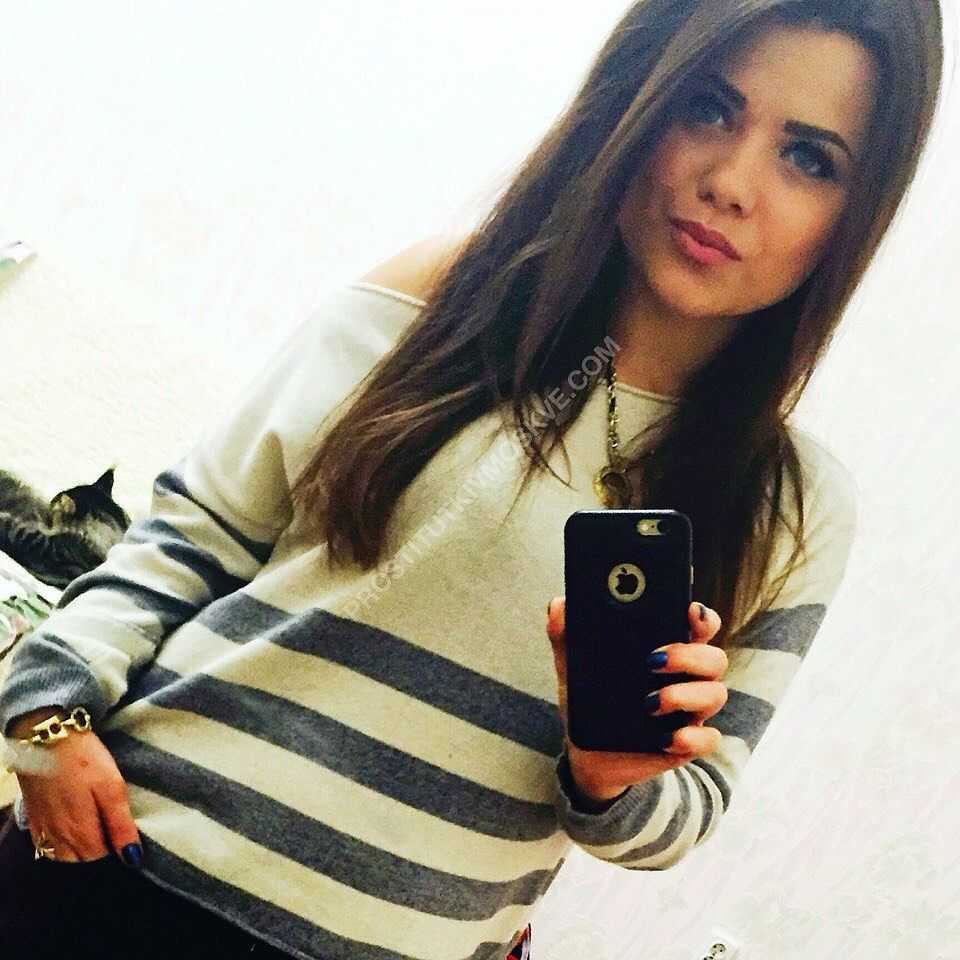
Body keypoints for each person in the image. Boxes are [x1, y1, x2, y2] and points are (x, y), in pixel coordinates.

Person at [0, 1, 943, 958]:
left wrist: (608, 775)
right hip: (114, 873)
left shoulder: (792, 506)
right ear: (637, 96)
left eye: (809, 157)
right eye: (707, 107)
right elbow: (196, 531)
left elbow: (684, 813)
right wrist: (45, 713)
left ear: (854, 214)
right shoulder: (437, 298)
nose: (731, 183)